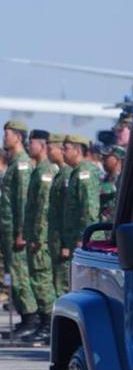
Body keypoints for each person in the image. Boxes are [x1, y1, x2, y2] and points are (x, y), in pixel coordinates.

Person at [1, 121, 37, 338]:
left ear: (18, 137)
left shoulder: (22, 165)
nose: (4, 138)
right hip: (8, 230)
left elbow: (23, 201)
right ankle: (24, 319)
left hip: (17, 232)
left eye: (7, 134)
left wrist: (22, 231)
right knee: (12, 276)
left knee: (20, 275)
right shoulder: (14, 164)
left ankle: (32, 318)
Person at [21, 130, 56, 344]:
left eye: (31, 142)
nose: (28, 145)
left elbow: (43, 209)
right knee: (38, 279)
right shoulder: (37, 170)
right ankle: (44, 323)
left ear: (42, 145)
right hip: (35, 235)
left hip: (41, 238)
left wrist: (39, 238)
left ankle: (47, 323)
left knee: (43, 280)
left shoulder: (45, 171)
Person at [61, 135, 100, 266]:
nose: (62, 152)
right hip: (76, 238)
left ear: (77, 151)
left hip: (87, 239)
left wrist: (84, 237)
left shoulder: (84, 172)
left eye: (66, 148)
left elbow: (89, 209)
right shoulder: (76, 172)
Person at [47, 134, 71, 298]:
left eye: (51, 148)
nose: (48, 152)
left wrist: (66, 243)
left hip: (64, 239)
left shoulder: (68, 175)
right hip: (56, 237)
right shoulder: (60, 174)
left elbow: (68, 212)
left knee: (64, 283)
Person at [99, 146, 125, 222]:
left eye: (107, 157)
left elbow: (108, 189)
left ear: (118, 159)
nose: (103, 160)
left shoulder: (122, 178)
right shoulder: (106, 177)